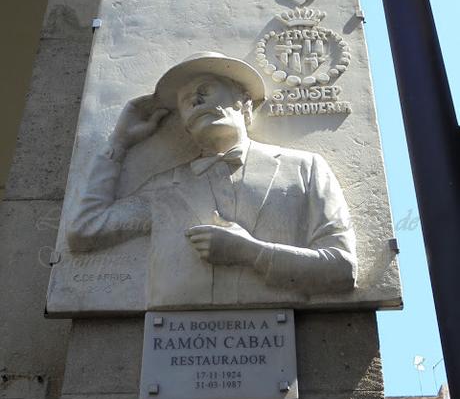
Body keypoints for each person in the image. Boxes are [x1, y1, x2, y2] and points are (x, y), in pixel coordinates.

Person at [67, 52, 357, 309]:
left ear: (244, 104)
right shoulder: (163, 187)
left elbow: (343, 268)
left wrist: (252, 253)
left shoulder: (304, 169)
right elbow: (85, 230)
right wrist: (118, 144)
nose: (195, 99)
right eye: (185, 101)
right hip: (173, 341)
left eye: (206, 90)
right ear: (184, 125)